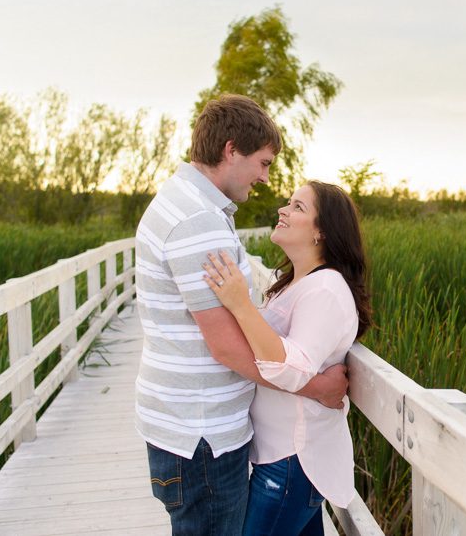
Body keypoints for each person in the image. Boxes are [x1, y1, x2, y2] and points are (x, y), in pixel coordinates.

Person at [134, 95, 348, 536]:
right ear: (231, 150)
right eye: (264, 163)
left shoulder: (194, 206)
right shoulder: (197, 220)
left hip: (191, 426)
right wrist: (317, 387)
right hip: (202, 434)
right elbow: (226, 346)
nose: (265, 178)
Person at [202, 180, 371, 536]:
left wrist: (240, 303)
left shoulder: (325, 289)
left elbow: (291, 367)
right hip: (279, 455)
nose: (283, 209)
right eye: (289, 203)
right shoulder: (293, 283)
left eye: (298, 207)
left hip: (294, 460)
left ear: (321, 232)